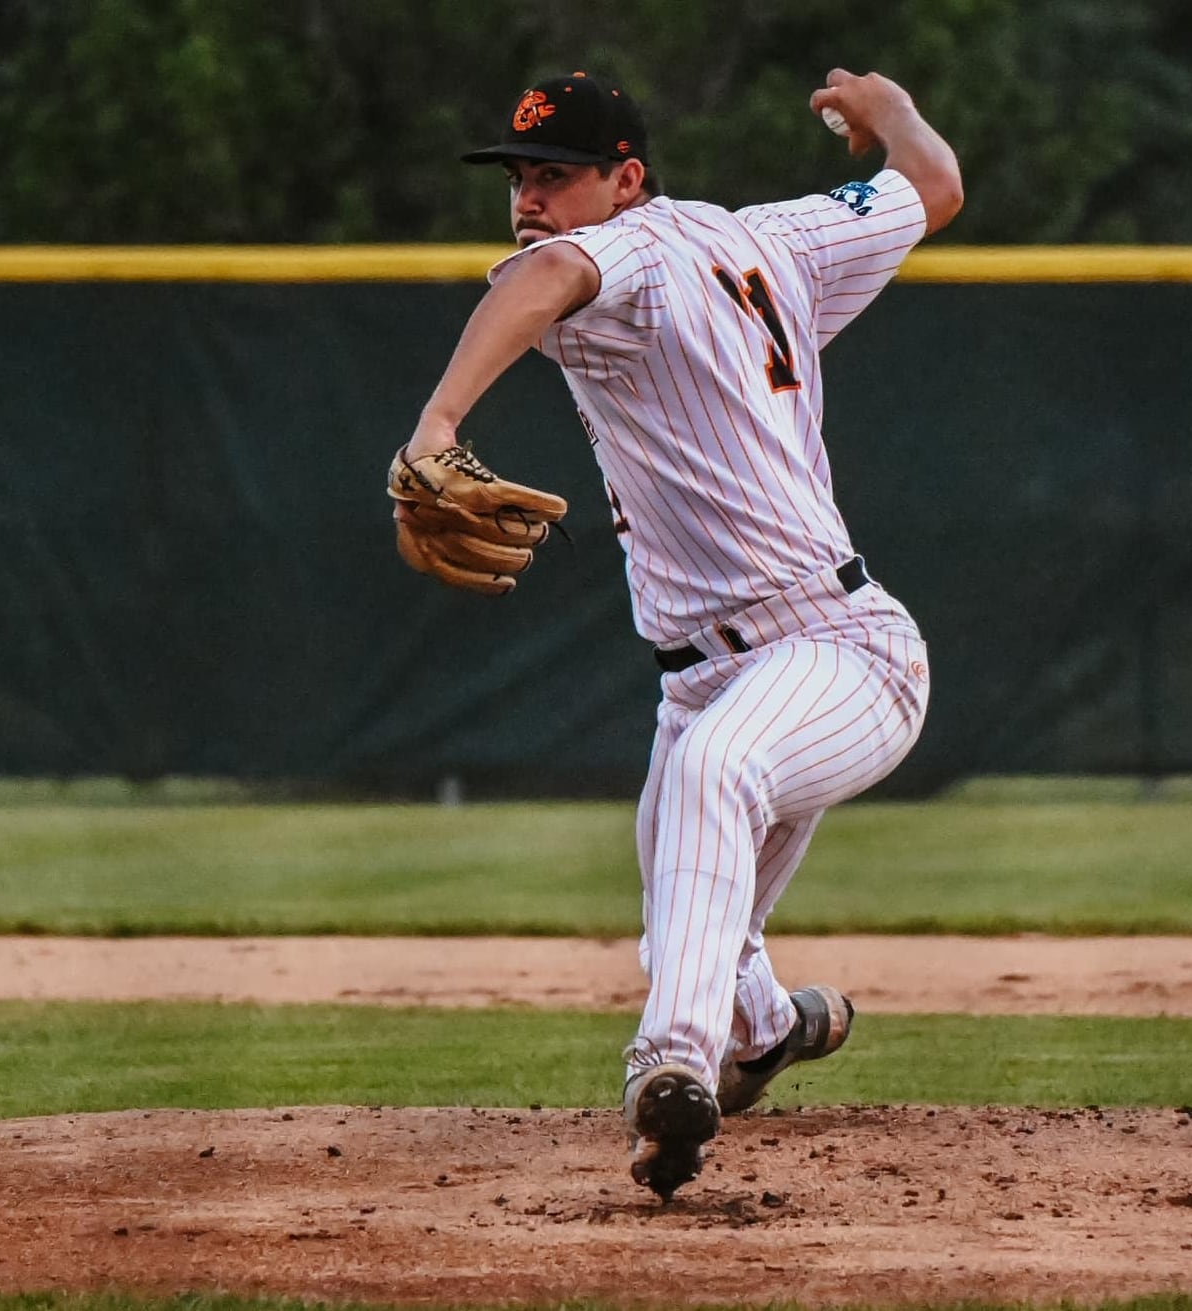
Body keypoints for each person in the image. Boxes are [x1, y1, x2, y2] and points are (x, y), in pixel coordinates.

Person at [399, 67, 962, 1201]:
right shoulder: (776, 241)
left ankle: (670, 1071)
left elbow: (554, 270)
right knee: (690, 927)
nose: (529, 199)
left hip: (838, 648)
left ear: (627, 180)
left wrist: (438, 420)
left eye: (556, 175)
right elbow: (932, 185)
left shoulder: (637, 246)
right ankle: (769, 1033)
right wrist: (887, 110)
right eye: (517, 176)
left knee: (717, 775)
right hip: (707, 676)